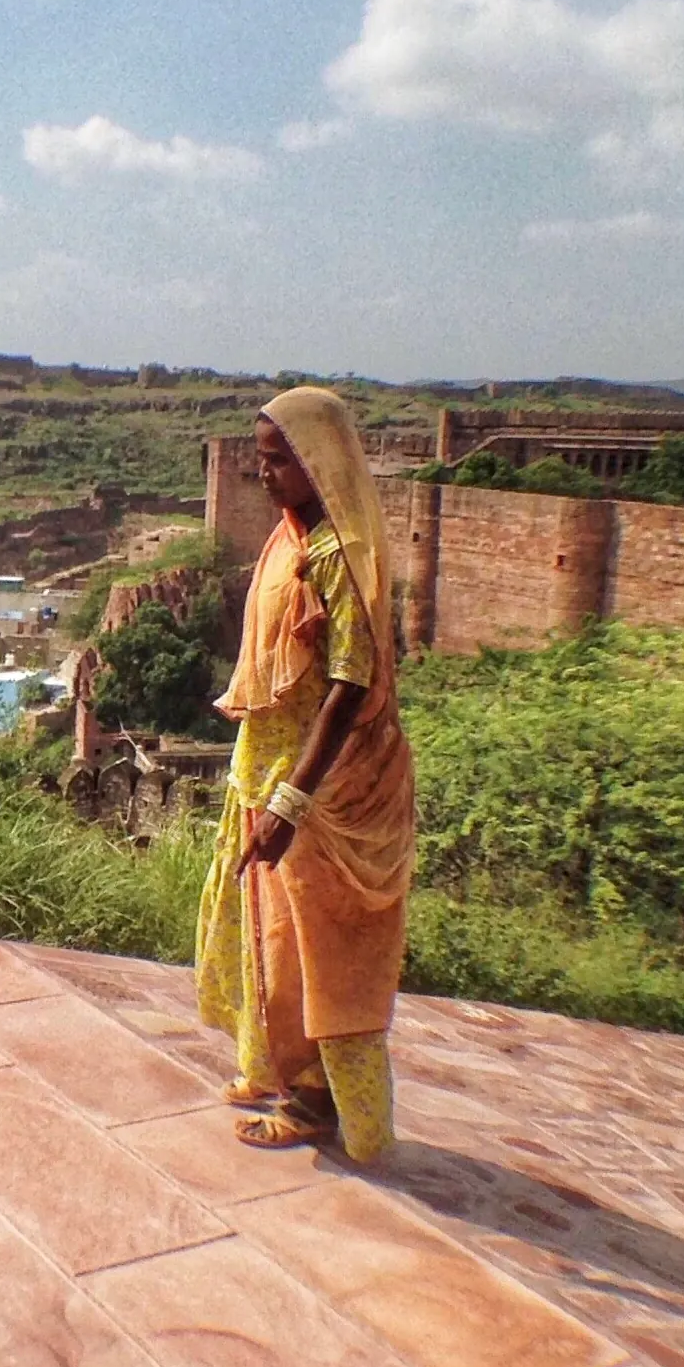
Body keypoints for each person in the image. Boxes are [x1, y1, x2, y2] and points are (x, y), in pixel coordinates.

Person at [193, 387, 416, 1159]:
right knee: (269, 935)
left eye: (279, 460)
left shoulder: (339, 559)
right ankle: (277, 1072)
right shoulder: (294, 541)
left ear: (319, 464)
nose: (265, 475)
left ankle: (316, 1103)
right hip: (272, 770)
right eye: (259, 459)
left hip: (321, 788)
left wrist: (290, 802)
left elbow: (351, 685)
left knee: (312, 952)